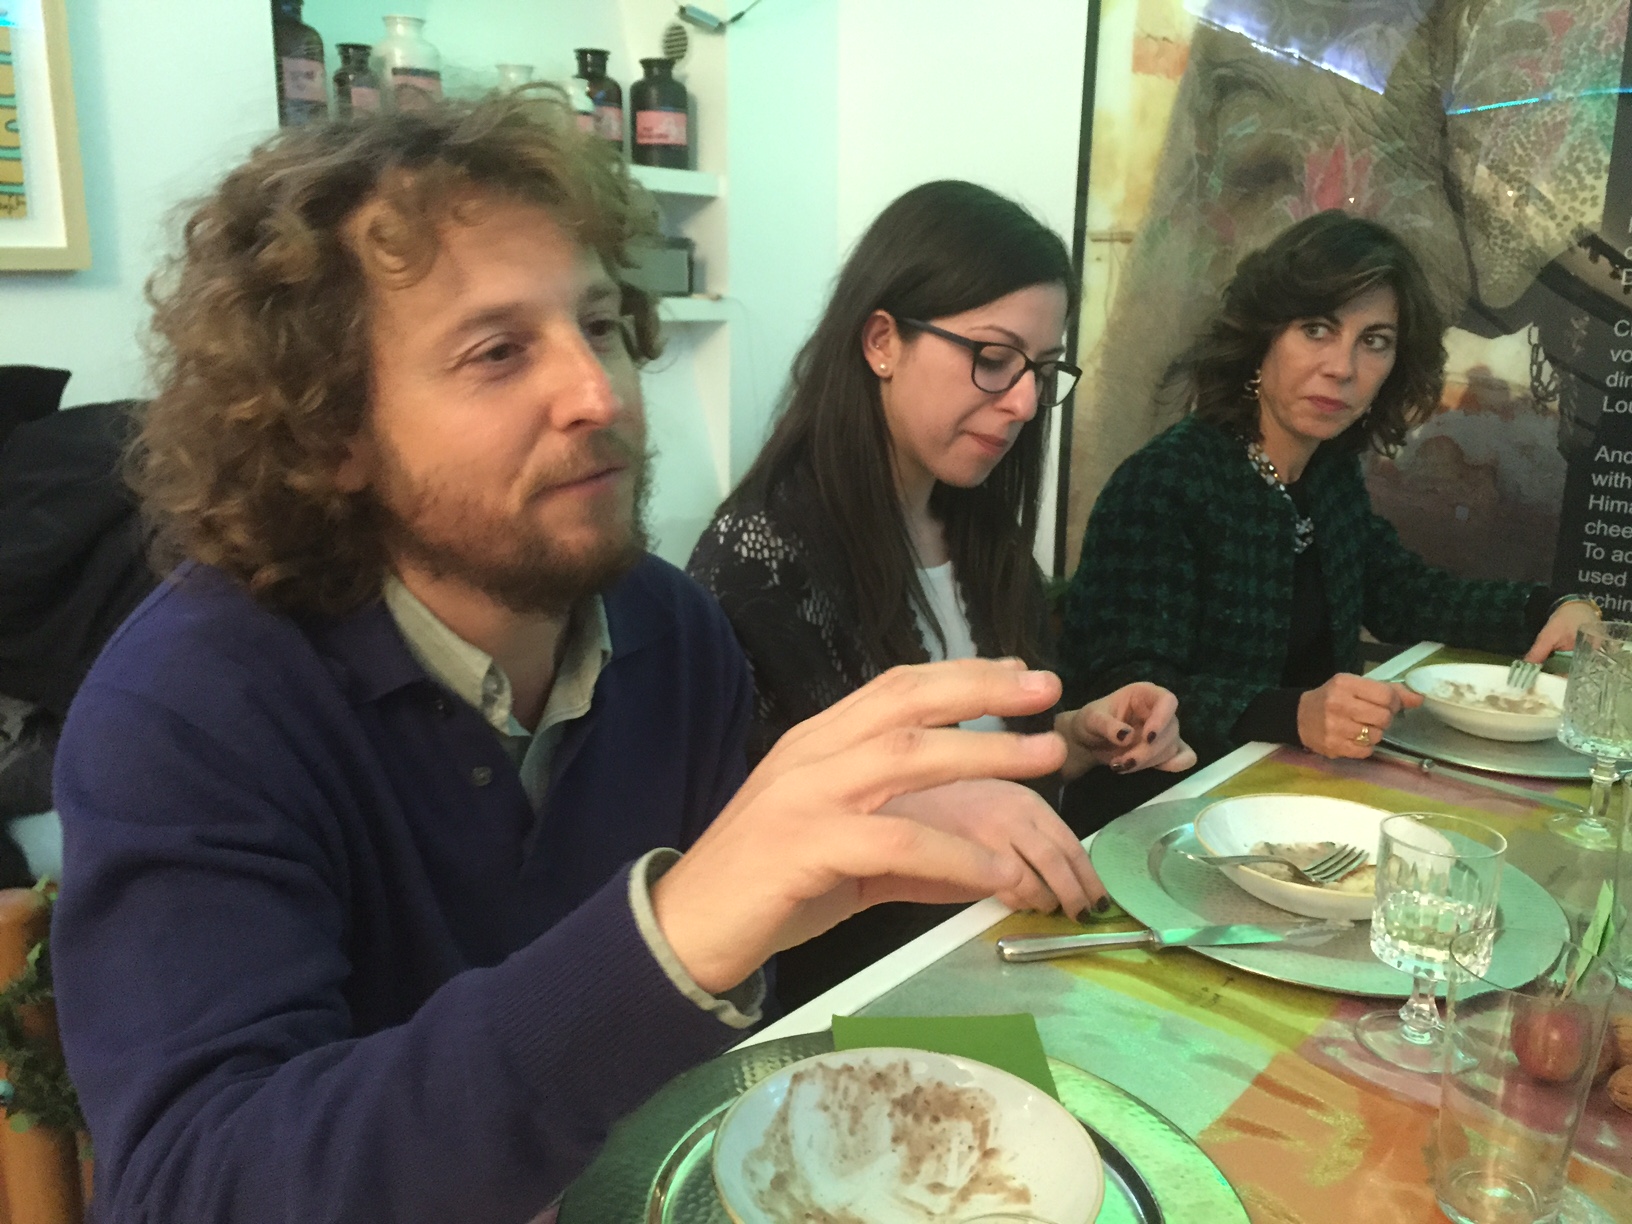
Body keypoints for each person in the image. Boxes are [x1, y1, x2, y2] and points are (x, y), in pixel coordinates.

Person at [50, 95, 1098, 1224]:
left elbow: (713, 1043)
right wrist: (668, 937)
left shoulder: (672, 633)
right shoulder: (188, 707)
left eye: (599, 326)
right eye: (498, 352)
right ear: (331, 432)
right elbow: (191, 1185)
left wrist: (849, 853)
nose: (600, 393)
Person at [689, 181, 1194, 1007]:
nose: (1025, 402)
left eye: (1042, 371)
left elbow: (989, 773)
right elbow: (746, 853)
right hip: (863, 998)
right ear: (882, 341)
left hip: (1005, 952)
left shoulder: (980, 533)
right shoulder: (760, 562)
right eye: (993, 359)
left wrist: (1075, 736)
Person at [1060, 210, 1598, 762]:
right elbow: (1128, 693)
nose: (1342, 367)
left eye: (1374, 341)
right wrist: (1292, 714)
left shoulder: (1328, 473)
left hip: (1298, 781)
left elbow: (1402, 594)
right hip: (1169, 797)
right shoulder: (1165, 482)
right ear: (1262, 339)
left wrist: (1548, 609)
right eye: (1316, 330)